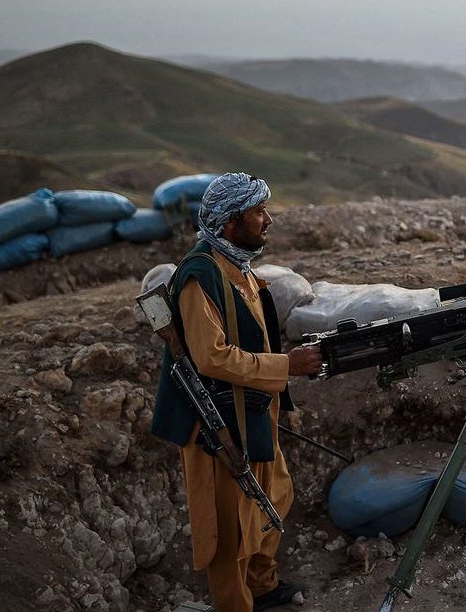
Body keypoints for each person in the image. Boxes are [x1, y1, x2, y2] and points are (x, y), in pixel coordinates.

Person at [151, 173, 322, 612]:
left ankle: (262, 589)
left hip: (252, 411)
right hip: (217, 426)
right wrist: (287, 367)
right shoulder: (199, 276)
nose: (268, 220)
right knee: (229, 530)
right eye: (258, 212)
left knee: (273, 499)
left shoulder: (238, 268)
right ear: (230, 223)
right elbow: (212, 359)